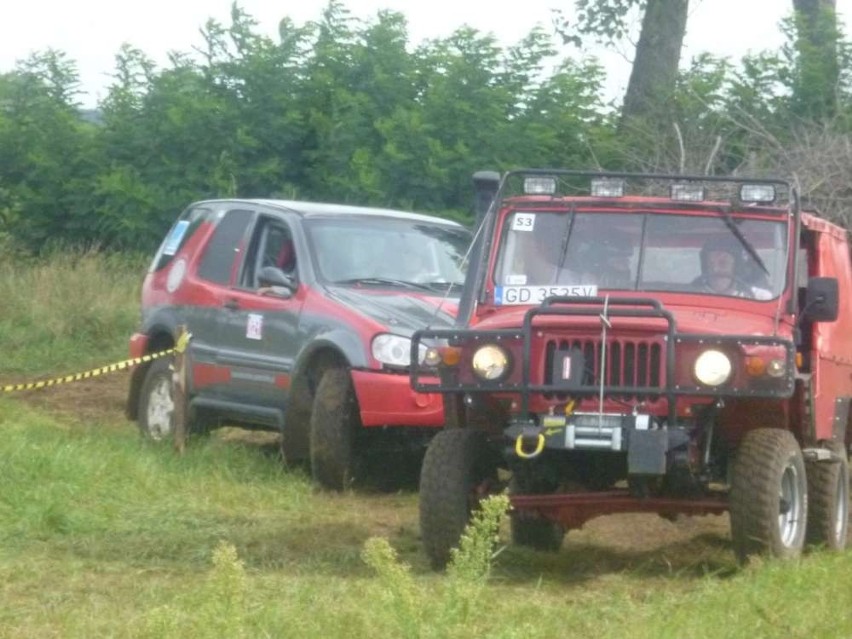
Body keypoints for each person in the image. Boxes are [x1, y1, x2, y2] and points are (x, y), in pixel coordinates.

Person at [692, 235, 771, 299]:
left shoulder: (760, 298)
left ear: (736, 267)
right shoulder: (693, 296)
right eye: (710, 264)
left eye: (723, 263)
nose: (715, 269)